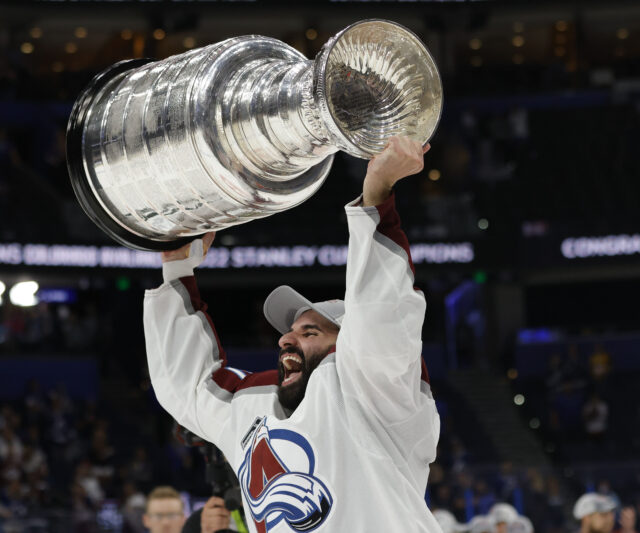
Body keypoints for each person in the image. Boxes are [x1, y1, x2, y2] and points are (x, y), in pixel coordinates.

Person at [144, 136, 440, 532]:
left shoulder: (378, 396)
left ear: (347, 344)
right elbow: (186, 385)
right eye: (289, 331)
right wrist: (177, 270)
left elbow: (382, 318)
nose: (286, 338)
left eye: (310, 331)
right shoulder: (251, 408)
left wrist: (376, 199)